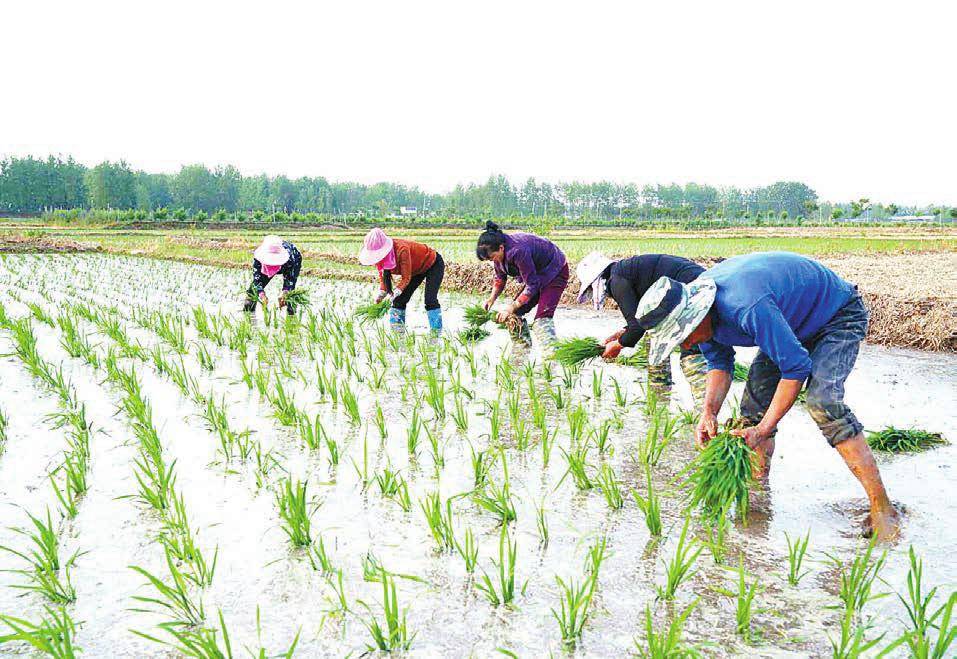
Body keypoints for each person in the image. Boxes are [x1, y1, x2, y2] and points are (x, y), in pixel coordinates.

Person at [633, 251, 900, 540]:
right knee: (750, 413)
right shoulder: (703, 322)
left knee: (823, 402)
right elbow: (720, 365)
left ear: (695, 315)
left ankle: (882, 507)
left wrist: (764, 429)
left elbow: (795, 368)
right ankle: (759, 497)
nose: (685, 345)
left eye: (682, 336)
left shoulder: (745, 306)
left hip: (836, 315)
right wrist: (708, 412)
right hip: (789, 322)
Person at [575, 251, 709, 399]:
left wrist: (617, 345)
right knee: (654, 348)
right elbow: (642, 319)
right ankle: (658, 406)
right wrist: (621, 334)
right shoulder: (624, 272)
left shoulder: (617, 281)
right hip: (692, 287)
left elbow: (637, 328)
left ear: (597, 279)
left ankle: (705, 414)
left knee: (692, 357)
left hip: (693, 295)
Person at [476, 221, 568, 350]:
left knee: (542, 320)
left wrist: (511, 306)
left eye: (492, 258)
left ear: (501, 248)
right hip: (536, 276)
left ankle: (553, 358)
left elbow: (532, 285)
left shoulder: (518, 251)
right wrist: (491, 299)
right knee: (514, 316)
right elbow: (500, 279)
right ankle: (522, 351)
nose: (492, 261)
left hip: (555, 271)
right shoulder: (497, 254)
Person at [358, 228, 445, 332]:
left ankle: (437, 333)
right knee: (399, 301)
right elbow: (383, 278)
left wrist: (396, 292)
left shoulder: (401, 249)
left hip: (433, 263)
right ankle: (397, 333)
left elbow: (406, 278)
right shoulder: (381, 260)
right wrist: (381, 294)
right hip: (416, 270)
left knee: (430, 300)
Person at [244, 235, 302, 315]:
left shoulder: (291, 258)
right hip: (265, 268)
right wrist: (262, 295)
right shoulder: (259, 258)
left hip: (291, 263)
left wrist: (285, 293)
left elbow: (290, 280)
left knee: (290, 296)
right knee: (252, 292)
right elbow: (257, 279)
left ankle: (291, 315)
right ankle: (248, 313)